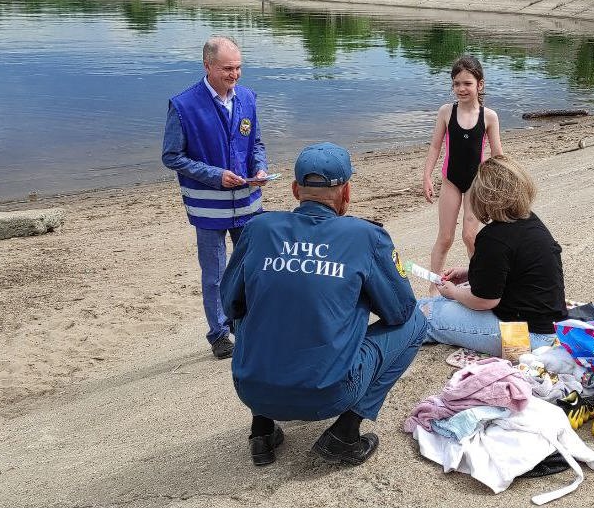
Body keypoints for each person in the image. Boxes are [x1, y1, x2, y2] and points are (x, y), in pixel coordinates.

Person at [221, 142, 426, 467]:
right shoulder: (366, 237)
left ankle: (262, 428)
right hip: (329, 393)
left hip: (250, 387)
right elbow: (400, 311)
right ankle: (345, 433)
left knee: (249, 307)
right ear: (346, 192)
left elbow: (230, 305)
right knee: (416, 322)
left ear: (294, 190)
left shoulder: (257, 229)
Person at [162, 35, 270, 360]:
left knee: (251, 267)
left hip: (249, 203)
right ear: (207, 66)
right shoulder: (182, 105)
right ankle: (219, 334)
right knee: (215, 274)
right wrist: (215, 175)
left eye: (238, 68)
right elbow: (171, 156)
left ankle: (245, 324)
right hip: (208, 208)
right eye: (227, 69)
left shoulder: (248, 98)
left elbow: (257, 144)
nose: (234, 74)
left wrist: (261, 169)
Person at [417, 155, 568, 356]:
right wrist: (470, 272)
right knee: (433, 305)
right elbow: (515, 267)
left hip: (526, 335)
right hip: (550, 325)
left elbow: (484, 301)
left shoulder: (493, 238)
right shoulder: (531, 221)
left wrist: (453, 292)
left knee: (424, 317)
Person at [422, 55, 503, 293]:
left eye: (467, 83)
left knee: (470, 236)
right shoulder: (446, 112)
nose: (461, 88)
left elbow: (498, 154)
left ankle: (481, 283)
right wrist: (427, 176)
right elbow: (435, 146)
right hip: (450, 182)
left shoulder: (489, 116)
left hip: (475, 183)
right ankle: (433, 289)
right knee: (445, 237)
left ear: (480, 84)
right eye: (456, 83)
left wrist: (501, 185)